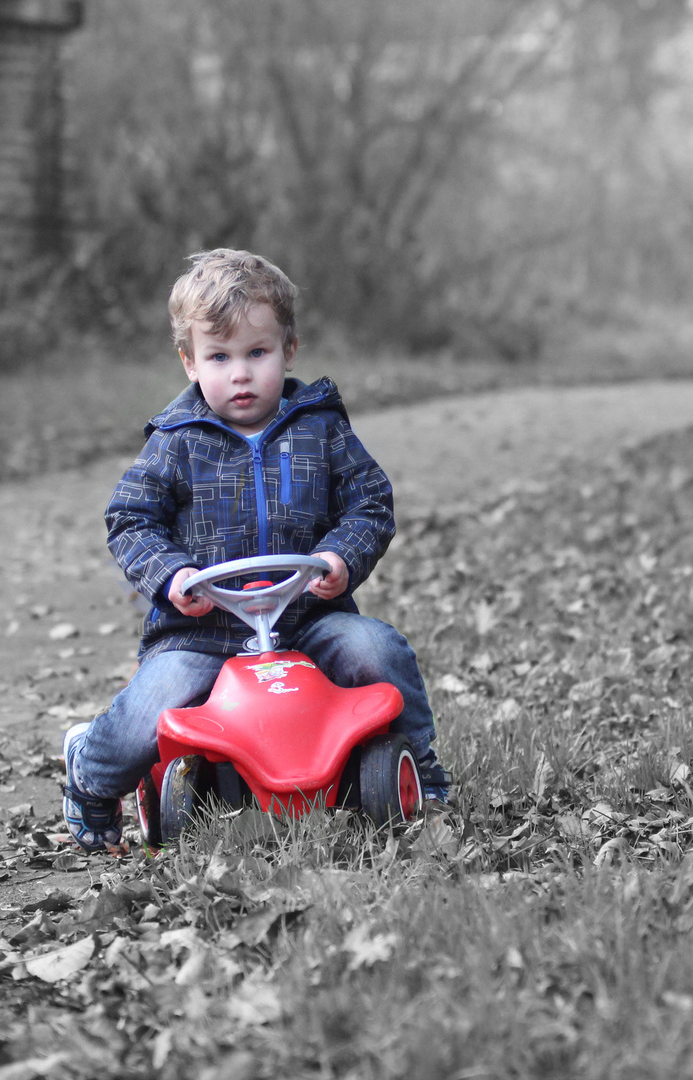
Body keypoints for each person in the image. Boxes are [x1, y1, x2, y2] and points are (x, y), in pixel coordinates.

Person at [61, 248, 448, 852]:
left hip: (307, 619)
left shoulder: (319, 428)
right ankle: (89, 773)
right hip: (202, 630)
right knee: (150, 711)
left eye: (256, 354)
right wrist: (173, 576)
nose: (239, 374)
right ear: (190, 363)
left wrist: (342, 558)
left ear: (289, 350)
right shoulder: (176, 442)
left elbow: (370, 501)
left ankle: (419, 767)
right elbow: (129, 519)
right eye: (219, 357)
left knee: (377, 650)